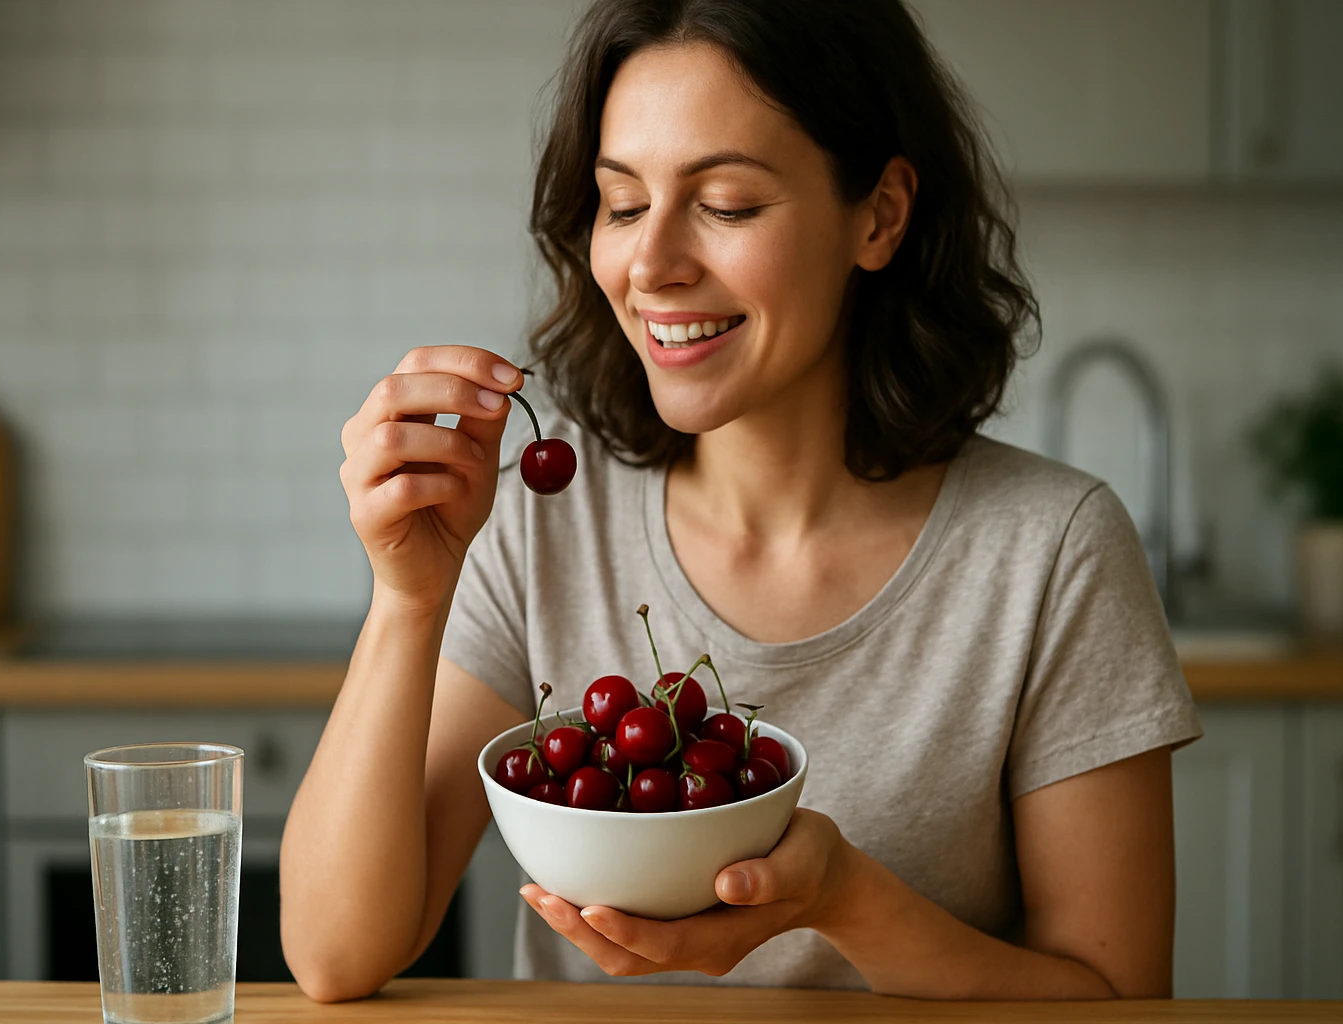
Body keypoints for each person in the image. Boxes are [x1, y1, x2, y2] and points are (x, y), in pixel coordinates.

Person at [280, 0, 1201, 1000]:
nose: (653, 265)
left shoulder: (1050, 549)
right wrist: (408, 599)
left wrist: (842, 897)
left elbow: (1119, 1000)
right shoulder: (550, 520)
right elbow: (336, 954)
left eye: (724, 203)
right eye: (623, 205)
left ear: (880, 216)